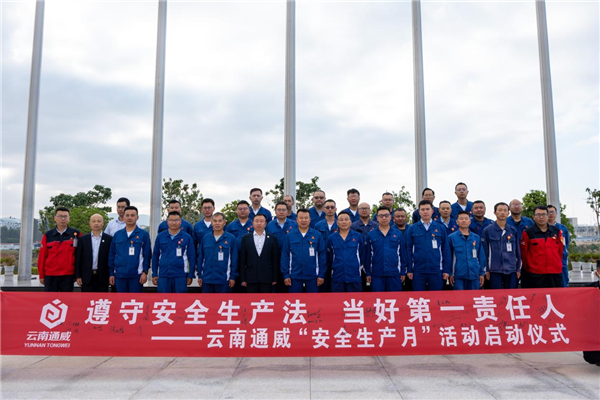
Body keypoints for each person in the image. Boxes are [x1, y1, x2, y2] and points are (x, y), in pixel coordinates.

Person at [406, 200, 451, 291]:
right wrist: (409, 269)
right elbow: (408, 250)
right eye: (422, 209)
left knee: (436, 296)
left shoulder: (440, 228)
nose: (425, 212)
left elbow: (445, 250)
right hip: (418, 270)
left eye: (427, 209)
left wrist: (446, 270)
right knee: (419, 297)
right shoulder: (412, 228)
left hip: (436, 269)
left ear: (432, 211)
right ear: (419, 212)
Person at [281, 209, 326, 293]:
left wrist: (321, 275)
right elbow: (285, 256)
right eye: (301, 218)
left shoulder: (317, 235)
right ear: (297, 220)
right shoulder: (289, 236)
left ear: (310, 219)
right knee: (295, 300)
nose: (303, 220)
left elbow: (322, 256)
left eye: (306, 218)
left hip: (313, 276)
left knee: (312, 300)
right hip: (294, 276)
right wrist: (286, 275)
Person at [108, 206, 151, 293]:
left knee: (135, 300)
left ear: (137, 217)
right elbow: (112, 254)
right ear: (123, 217)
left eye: (132, 215)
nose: (129, 218)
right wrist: (111, 273)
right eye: (127, 215)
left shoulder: (143, 234)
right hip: (119, 275)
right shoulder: (117, 235)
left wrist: (145, 272)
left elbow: (147, 254)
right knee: (121, 300)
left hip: (136, 275)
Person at [38, 207, 81, 292]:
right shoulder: (48, 235)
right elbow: (42, 256)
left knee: (66, 299)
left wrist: (78, 275)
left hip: (68, 275)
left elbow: (79, 256)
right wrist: (41, 275)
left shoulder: (76, 234)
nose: (63, 219)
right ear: (55, 218)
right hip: (50, 275)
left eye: (65, 216)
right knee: (50, 299)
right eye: (60, 216)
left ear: (69, 218)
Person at [520, 205, 564, 288]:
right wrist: (530, 268)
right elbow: (524, 254)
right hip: (536, 273)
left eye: (544, 214)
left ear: (548, 216)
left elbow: (560, 251)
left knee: (556, 295)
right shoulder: (528, 232)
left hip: (555, 272)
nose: (541, 217)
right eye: (538, 215)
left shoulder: (556, 231)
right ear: (534, 217)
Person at [151, 211, 195, 293]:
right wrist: (154, 273)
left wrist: (191, 275)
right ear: (167, 221)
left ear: (180, 221)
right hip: (164, 274)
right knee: (163, 299)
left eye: (176, 220)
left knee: (180, 299)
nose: (174, 223)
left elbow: (191, 257)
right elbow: (155, 256)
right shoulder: (160, 236)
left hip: (180, 275)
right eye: (171, 220)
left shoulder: (187, 237)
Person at [365, 207, 407, 292]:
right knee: (377, 298)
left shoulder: (398, 234)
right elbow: (367, 256)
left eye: (386, 215)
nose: (384, 218)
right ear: (377, 218)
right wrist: (368, 273)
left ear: (390, 217)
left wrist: (403, 271)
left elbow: (402, 254)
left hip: (394, 273)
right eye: (381, 216)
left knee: (394, 298)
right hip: (376, 274)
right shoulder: (370, 235)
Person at [481, 202, 521, 289]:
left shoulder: (512, 230)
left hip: (511, 269)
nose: (502, 213)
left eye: (505, 210)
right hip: (494, 269)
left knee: (511, 294)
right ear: (495, 212)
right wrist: (486, 269)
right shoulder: (488, 230)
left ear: (508, 213)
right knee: (495, 294)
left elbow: (517, 251)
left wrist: (518, 268)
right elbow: (485, 252)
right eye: (500, 210)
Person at [196, 212, 238, 293]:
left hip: (223, 280)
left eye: (220, 221)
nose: (217, 223)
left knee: (223, 301)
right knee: (207, 301)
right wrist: (200, 275)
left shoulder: (231, 238)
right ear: (211, 223)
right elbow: (201, 258)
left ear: (224, 222)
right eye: (215, 221)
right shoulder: (206, 238)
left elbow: (234, 259)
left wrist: (232, 277)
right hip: (207, 279)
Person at [239, 214, 279, 293]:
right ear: (252, 223)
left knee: (266, 299)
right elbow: (242, 259)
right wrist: (243, 278)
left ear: (265, 223)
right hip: (250, 277)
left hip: (267, 277)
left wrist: (275, 278)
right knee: (252, 300)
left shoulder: (272, 238)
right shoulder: (245, 238)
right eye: (256, 221)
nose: (259, 223)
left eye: (261, 221)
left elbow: (275, 259)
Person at [326, 211, 364, 292]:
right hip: (337, 276)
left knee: (354, 299)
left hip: (354, 276)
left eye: (346, 219)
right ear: (337, 222)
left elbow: (362, 255)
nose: (344, 222)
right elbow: (329, 257)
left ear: (350, 222)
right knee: (337, 299)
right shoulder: (332, 238)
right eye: (341, 220)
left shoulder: (358, 236)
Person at [448, 211, 485, 290]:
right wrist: (450, 273)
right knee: (459, 297)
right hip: (458, 275)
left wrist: (481, 273)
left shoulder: (476, 238)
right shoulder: (451, 237)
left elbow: (481, 256)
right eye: (461, 219)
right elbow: (448, 257)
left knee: (474, 296)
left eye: (466, 219)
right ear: (457, 222)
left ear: (470, 221)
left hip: (474, 274)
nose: (464, 221)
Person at [75, 214, 112, 292]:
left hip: (103, 276)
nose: (96, 223)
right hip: (86, 276)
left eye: (99, 221)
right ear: (90, 223)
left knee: (102, 298)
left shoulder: (109, 239)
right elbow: (78, 258)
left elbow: (111, 258)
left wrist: (111, 275)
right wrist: (78, 276)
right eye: (93, 221)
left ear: (103, 223)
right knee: (86, 298)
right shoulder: (83, 239)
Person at [266, 201, 297, 292]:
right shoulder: (270, 225)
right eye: (279, 210)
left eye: (283, 210)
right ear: (275, 211)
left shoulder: (294, 225)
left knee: (289, 285)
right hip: (274, 259)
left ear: (287, 211)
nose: (281, 212)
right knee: (275, 285)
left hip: (290, 259)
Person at [314, 199, 338, 292]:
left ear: (335, 209)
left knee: (336, 286)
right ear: (324, 209)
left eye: (332, 207)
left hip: (336, 258)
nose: (330, 209)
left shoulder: (340, 224)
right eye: (327, 207)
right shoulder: (318, 225)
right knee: (323, 286)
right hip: (322, 258)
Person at [548, 204, 570, 287]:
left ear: (556, 214)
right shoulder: (542, 228)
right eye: (548, 212)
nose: (550, 214)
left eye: (552, 212)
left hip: (561, 259)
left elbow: (566, 243)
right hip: (547, 261)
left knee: (563, 283)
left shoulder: (562, 228)